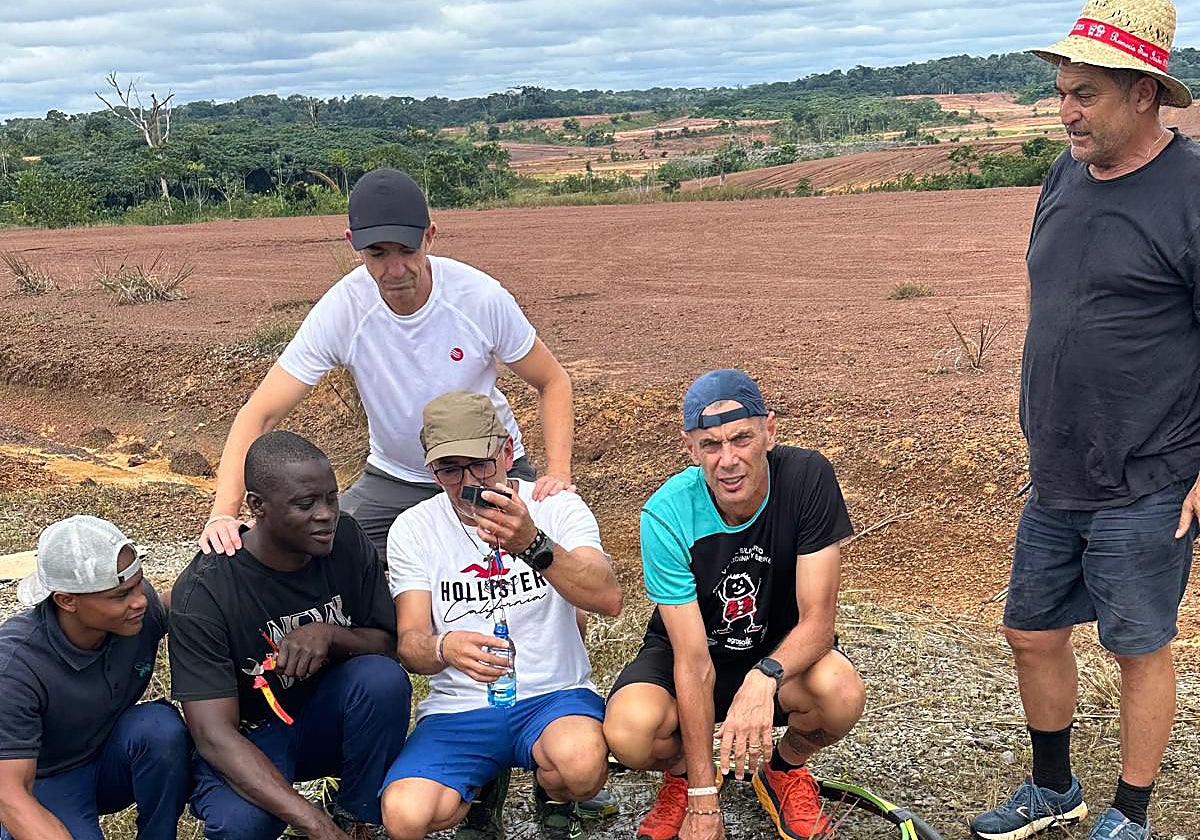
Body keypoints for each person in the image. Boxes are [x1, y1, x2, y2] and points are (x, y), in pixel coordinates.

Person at [968, 3, 1200, 840]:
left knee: (1138, 647)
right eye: (1062, 91)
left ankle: (1130, 814)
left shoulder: (1191, 192)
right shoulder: (1064, 175)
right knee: (1031, 631)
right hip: (1058, 467)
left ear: (1145, 94)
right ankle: (1054, 788)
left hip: (1151, 474)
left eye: (1086, 94)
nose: (1065, 111)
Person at [199, 167, 575, 561]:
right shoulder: (343, 310)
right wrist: (222, 514)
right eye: (377, 253)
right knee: (324, 553)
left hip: (485, 469)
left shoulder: (479, 298)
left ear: (430, 236)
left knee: (542, 564)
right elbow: (258, 415)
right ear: (354, 245)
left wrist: (558, 474)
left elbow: (552, 381)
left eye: (407, 250)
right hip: (397, 478)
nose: (395, 270)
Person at [603, 369, 865, 840]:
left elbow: (819, 622)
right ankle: (687, 776)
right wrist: (705, 803)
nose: (728, 460)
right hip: (694, 653)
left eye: (741, 438)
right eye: (710, 445)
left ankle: (783, 770)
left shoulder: (808, 478)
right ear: (690, 449)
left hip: (777, 652)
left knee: (840, 692)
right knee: (629, 731)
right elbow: (691, 660)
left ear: (769, 432)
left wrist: (762, 678)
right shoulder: (666, 513)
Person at [379, 391, 622, 840]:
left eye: (481, 464)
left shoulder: (555, 506)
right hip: (461, 707)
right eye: (450, 469)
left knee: (581, 768)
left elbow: (608, 598)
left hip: (553, 695)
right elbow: (410, 644)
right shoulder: (414, 528)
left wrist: (533, 543)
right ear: (432, 471)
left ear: (507, 451)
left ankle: (551, 792)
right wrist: (443, 646)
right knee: (404, 816)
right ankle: (482, 784)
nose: (468, 480)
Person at [169, 430, 411, 840]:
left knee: (382, 680)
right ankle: (323, 824)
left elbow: (388, 644)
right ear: (257, 506)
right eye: (305, 504)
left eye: (331, 498)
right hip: (253, 734)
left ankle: (357, 817)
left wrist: (330, 634)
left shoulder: (347, 541)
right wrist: (315, 825)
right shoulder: (205, 591)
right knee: (241, 825)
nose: (326, 514)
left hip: (326, 718)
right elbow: (213, 734)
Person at [0, 516, 190, 840]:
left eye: (138, 584)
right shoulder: (16, 669)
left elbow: (192, 601)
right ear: (67, 600)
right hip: (46, 780)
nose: (140, 601)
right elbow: (10, 795)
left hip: (105, 762)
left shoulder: (137, 616)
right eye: (120, 595)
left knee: (160, 729)